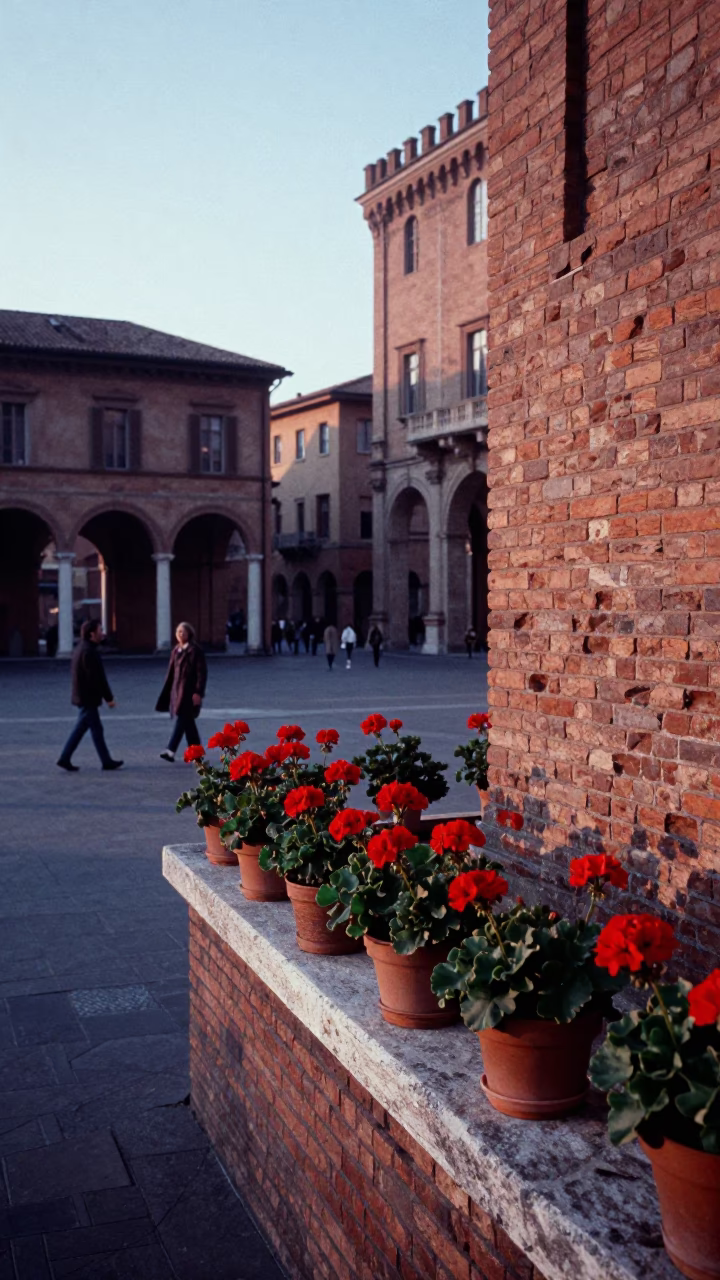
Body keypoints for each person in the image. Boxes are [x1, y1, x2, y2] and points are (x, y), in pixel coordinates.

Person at [57, 619, 123, 772]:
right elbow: (98, 679)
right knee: (92, 729)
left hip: (83, 696)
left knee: (88, 729)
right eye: (100, 630)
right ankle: (102, 761)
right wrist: (109, 698)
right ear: (92, 634)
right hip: (88, 698)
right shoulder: (89, 652)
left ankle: (66, 757)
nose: (103, 634)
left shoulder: (81, 649)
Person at [156, 622, 207, 762]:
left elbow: (201, 673)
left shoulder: (195, 650)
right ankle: (197, 753)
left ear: (189, 634)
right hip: (178, 691)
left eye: (183, 632)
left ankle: (170, 751)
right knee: (188, 723)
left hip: (189, 692)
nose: (180, 634)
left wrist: (199, 692)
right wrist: (168, 691)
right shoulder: (176, 650)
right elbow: (171, 673)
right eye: (178, 632)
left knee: (183, 719)